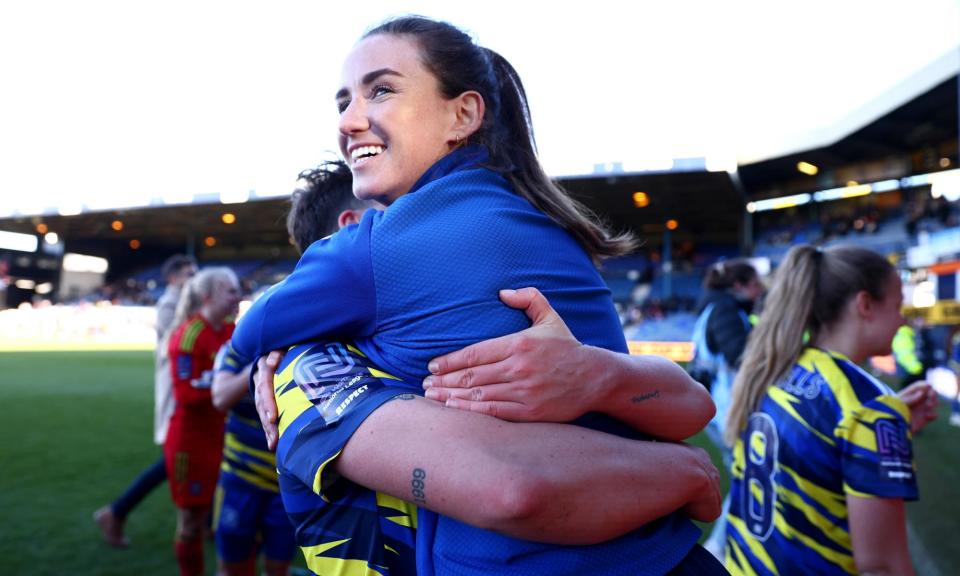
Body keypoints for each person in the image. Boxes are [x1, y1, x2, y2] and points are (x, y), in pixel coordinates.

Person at [235, 15, 723, 576]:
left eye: (382, 90)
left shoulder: (374, 246)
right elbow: (682, 405)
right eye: (343, 101)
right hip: (671, 555)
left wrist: (293, 342)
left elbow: (249, 333)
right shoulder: (547, 223)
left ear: (463, 113)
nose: (349, 121)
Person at [723, 245, 939, 575]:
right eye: (897, 306)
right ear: (865, 304)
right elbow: (882, 567)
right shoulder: (869, 408)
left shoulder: (775, 370)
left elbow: (814, 454)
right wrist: (883, 423)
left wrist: (889, 429)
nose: (901, 320)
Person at [209, 161, 377, 576]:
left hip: (302, 486)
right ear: (350, 224)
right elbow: (220, 389)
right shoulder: (273, 318)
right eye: (385, 212)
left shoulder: (371, 322)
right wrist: (262, 369)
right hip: (247, 476)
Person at [94, 254, 197, 548]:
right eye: (189, 274)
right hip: (178, 393)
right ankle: (116, 511)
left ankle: (205, 523)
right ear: (173, 278)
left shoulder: (184, 303)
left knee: (195, 458)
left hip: (189, 391)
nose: (194, 278)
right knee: (172, 461)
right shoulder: (169, 305)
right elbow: (172, 347)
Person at [165, 267, 241, 576]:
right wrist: (225, 385)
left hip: (222, 439)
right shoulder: (190, 334)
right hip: (191, 443)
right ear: (208, 296)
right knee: (191, 522)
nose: (237, 297)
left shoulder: (229, 331)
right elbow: (185, 394)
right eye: (231, 291)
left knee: (219, 517)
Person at [688, 258, 763, 557]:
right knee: (751, 477)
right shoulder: (726, 310)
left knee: (749, 475)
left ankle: (724, 545)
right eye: (755, 284)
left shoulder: (715, 307)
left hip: (720, 408)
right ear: (738, 286)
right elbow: (740, 358)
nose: (760, 291)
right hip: (728, 409)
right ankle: (719, 548)